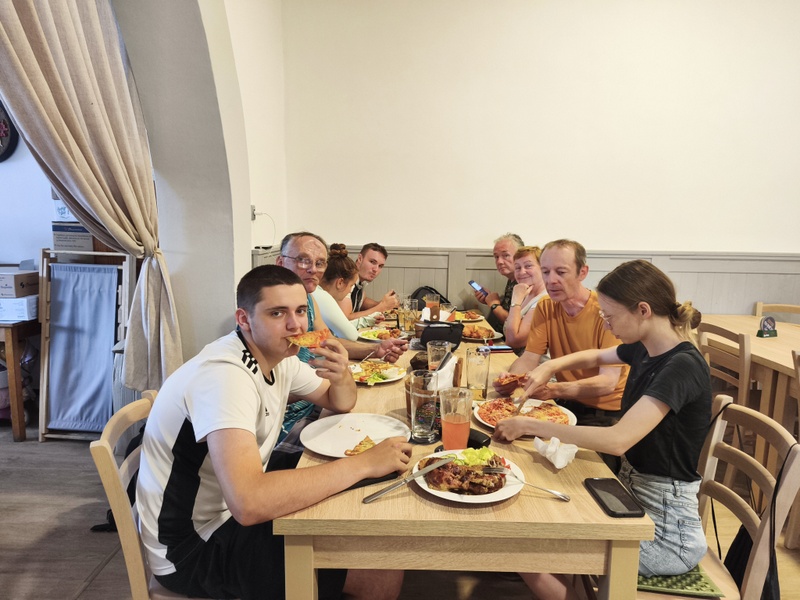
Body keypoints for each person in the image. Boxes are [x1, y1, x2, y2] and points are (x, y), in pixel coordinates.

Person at [136, 265, 410, 600]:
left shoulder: (279, 357)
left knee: (360, 506)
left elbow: (338, 402)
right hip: (193, 549)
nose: (296, 325)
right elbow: (249, 502)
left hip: (231, 514)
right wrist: (364, 463)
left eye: (300, 311)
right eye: (277, 313)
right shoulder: (224, 377)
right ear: (244, 319)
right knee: (380, 561)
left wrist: (341, 376)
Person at [493, 259, 711, 598]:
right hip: (631, 499)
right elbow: (595, 356)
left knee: (524, 547)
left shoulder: (681, 366)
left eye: (610, 316)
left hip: (667, 532)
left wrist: (529, 424)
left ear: (643, 310)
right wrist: (550, 366)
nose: (606, 324)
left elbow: (617, 440)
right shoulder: (645, 347)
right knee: (536, 530)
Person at [276, 232, 407, 446]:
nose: (313, 269)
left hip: (318, 404)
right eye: (303, 260)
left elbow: (328, 341)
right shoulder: (267, 314)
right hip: (288, 422)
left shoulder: (309, 299)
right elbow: (272, 389)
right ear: (280, 262)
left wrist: (375, 350)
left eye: (320, 263)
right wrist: (325, 382)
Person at [493, 239, 627, 425]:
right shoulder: (546, 306)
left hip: (604, 412)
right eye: (546, 272)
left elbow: (608, 382)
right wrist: (511, 379)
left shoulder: (606, 311)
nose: (551, 280)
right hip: (562, 402)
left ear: (582, 272)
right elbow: (529, 358)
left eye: (561, 272)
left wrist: (554, 390)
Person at [473, 233, 524, 332]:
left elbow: (513, 324)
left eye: (506, 255)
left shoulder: (523, 283)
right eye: (496, 257)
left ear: (520, 256)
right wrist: (489, 299)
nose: (499, 261)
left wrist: (494, 305)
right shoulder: (511, 279)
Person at [312, 244, 363, 341]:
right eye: (351, 285)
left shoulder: (317, 291)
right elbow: (351, 335)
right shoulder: (323, 296)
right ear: (340, 283)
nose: (350, 291)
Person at [502, 246, 547, 354]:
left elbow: (513, 341)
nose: (522, 272)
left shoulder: (545, 300)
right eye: (517, 268)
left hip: (537, 363)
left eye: (528, 266)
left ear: (542, 268)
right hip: (515, 358)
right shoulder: (526, 294)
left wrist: (515, 300)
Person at [340, 243, 399, 321]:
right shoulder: (346, 278)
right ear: (360, 258)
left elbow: (363, 301)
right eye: (372, 262)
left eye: (380, 266)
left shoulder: (360, 280)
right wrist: (382, 307)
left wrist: (385, 304)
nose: (376, 269)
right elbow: (346, 318)